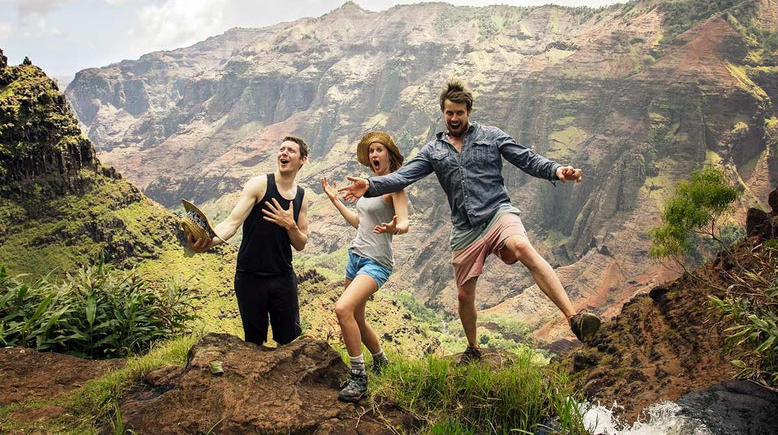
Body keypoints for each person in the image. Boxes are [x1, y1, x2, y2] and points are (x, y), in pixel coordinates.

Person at [339, 80, 601, 362]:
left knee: (522, 247)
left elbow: (526, 159)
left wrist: (557, 170)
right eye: (449, 113)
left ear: (469, 111)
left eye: (459, 113)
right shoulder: (433, 151)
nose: (454, 118)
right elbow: (403, 177)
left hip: (497, 212)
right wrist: (369, 184)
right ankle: (474, 348)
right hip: (465, 228)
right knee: (464, 296)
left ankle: (574, 318)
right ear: (443, 113)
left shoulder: (492, 136)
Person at [188, 136, 309, 347]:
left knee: (288, 342)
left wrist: (290, 225)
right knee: (253, 343)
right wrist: (208, 241)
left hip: (282, 277)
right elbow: (232, 223)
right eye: (281, 149)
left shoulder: (302, 196)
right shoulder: (260, 184)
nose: (284, 153)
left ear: (302, 160)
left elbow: (300, 244)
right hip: (250, 277)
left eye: (290, 150)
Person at [321, 131, 409, 402]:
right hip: (356, 257)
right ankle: (381, 361)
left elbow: (404, 222)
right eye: (370, 151)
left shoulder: (395, 187)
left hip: (376, 263)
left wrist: (396, 227)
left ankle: (359, 376)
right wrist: (336, 201)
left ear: (389, 155)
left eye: (379, 150)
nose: (373, 155)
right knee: (357, 317)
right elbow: (361, 223)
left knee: (342, 308)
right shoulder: (369, 187)